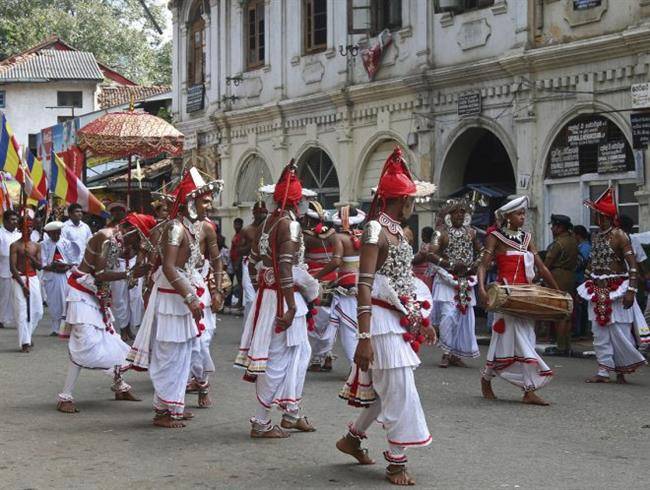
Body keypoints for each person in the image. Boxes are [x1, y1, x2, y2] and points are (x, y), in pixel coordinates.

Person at [337, 147, 436, 486]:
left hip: (395, 321)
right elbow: (363, 287)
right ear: (402, 201)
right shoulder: (374, 231)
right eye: (411, 200)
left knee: (386, 392)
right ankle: (396, 462)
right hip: (378, 326)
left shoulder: (398, 232)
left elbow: (403, 284)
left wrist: (421, 319)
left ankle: (352, 438)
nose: (413, 206)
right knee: (400, 393)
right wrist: (363, 340)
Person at [129, 168, 224, 428]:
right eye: (205, 200)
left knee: (185, 351)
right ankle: (164, 410)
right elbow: (169, 267)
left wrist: (213, 289)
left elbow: (212, 260)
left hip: (185, 293)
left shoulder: (200, 228)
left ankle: (171, 404)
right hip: (173, 296)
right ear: (191, 202)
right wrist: (191, 298)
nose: (210, 204)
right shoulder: (174, 227)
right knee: (169, 352)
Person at [235, 163, 319, 438]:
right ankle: (261, 421)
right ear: (297, 200)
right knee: (278, 360)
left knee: (299, 352)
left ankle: (291, 410)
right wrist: (292, 306)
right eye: (303, 200)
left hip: (270, 296)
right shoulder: (290, 225)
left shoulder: (267, 223)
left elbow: (257, 262)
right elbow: (284, 268)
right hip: (283, 299)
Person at [56, 214, 152, 413]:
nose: (137, 243)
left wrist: (106, 294)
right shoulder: (107, 238)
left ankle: (120, 386)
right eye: (139, 237)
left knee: (109, 338)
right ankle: (65, 397)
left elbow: (102, 276)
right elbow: (100, 274)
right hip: (80, 296)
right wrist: (130, 273)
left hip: (92, 294)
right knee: (84, 345)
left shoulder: (117, 239)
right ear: (130, 229)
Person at [477, 196, 560, 406]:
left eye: (523, 213)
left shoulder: (527, 238)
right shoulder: (495, 237)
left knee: (525, 338)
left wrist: (558, 291)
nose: (522, 217)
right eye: (518, 214)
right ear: (507, 216)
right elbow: (483, 266)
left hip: (526, 295)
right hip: (505, 296)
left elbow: (541, 267)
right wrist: (482, 290)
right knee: (515, 340)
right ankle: (527, 389)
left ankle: (489, 378)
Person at [577, 188, 649, 383]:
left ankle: (622, 370)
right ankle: (603, 371)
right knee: (599, 332)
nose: (596, 218)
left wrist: (631, 292)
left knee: (621, 332)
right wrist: (583, 287)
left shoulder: (620, 236)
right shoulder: (596, 236)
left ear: (608, 217)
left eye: (599, 215)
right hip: (597, 289)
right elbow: (592, 263)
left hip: (618, 289)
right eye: (595, 215)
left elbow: (633, 265)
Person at [428, 198, 483, 368]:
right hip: (446, 280)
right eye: (456, 212)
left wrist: (475, 264)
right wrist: (451, 265)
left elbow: (481, 251)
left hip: (466, 280)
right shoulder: (440, 233)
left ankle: (455, 354)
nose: (460, 215)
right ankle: (445, 352)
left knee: (463, 318)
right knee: (448, 316)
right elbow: (431, 254)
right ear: (448, 215)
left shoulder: (471, 233)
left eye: (462, 212)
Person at [303, 201, 343, 371]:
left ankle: (317, 358)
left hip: (314, 282)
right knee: (329, 321)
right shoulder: (334, 234)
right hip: (333, 280)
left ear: (307, 218)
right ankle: (327, 355)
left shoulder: (305, 236)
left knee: (314, 320)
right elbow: (337, 259)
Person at [327, 205, 366, 365]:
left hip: (346, 288)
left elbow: (336, 261)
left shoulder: (339, 238)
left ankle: (355, 368)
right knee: (362, 325)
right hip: (364, 285)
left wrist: (317, 275)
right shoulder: (365, 236)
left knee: (349, 330)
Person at [544, 214, 578, 356]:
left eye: (554, 226)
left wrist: (539, 277)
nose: (552, 228)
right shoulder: (573, 241)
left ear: (560, 227)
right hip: (570, 277)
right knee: (567, 312)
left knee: (559, 314)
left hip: (557, 277)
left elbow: (547, 264)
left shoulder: (558, 244)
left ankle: (561, 347)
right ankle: (567, 345)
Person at [10, 212, 44, 352]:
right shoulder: (15, 246)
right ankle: (24, 343)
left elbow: (40, 266)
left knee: (38, 311)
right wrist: (23, 285)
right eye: (25, 227)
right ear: (20, 228)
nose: (28, 229)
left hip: (34, 279)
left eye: (30, 227)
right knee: (22, 311)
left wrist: (30, 256)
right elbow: (12, 268)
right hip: (19, 279)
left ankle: (28, 336)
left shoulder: (36, 246)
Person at [41, 221, 76, 336]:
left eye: (58, 233)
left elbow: (72, 261)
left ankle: (65, 328)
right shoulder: (44, 244)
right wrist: (54, 267)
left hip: (64, 276)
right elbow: (43, 262)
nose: (56, 236)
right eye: (53, 234)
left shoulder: (66, 243)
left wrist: (65, 266)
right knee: (53, 302)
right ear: (49, 234)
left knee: (65, 302)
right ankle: (55, 328)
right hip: (51, 276)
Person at [238, 201, 269, 322]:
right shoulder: (246, 230)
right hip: (248, 264)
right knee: (251, 298)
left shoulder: (269, 230)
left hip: (265, 265)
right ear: (254, 213)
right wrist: (252, 245)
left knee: (264, 297)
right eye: (259, 212)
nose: (262, 215)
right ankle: (249, 330)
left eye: (264, 212)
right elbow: (239, 250)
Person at [0, 210, 21, 328]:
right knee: (4, 296)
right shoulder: (0, 234)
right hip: (4, 269)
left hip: (18, 270)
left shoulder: (19, 234)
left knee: (16, 296)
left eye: (16, 219)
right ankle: (1, 319)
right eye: (12, 219)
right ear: (5, 221)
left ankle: (16, 319)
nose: (15, 222)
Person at [574, 225, 592, 338]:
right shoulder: (583, 246)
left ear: (578, 235)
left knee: (582, 307)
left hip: (582, 280)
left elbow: (581, 264)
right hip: (580, 279)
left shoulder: (584, 247)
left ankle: (581, 331)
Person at [230, 217, 244, 309]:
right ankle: (239, 302)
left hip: (238, 262)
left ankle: (240, 302)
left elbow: (240, 250)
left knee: (240, 283)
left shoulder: (241, 236)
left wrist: (237, 263)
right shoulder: (236, 234)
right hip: (234, 261)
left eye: (238, 224)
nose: (236, 226)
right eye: (235, 224)